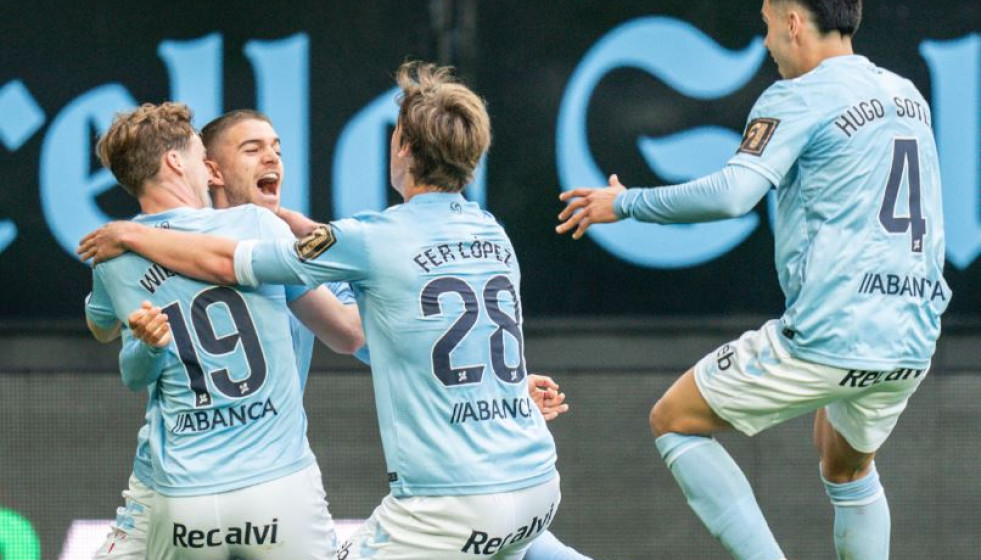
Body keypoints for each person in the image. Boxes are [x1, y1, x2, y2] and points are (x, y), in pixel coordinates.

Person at [79, 62, 571, 560]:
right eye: (251, 148)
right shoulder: (489, 230)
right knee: (516, 540)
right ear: (208, 168)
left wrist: (132, 233)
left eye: (277, 147)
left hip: (203, 490)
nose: (272, 156)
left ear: (404, 148)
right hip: (178, 480)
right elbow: (372, 312)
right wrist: (497, 387)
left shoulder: (328, 241)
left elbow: (351, 325)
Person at [555, 1, 948, 559]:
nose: (765, 42)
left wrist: (627, 203)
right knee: (845, 462)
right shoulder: (907, 95)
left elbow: (733, 195)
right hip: (912, 335)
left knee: (674, 420)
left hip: (833, 332)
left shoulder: (798, 94)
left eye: (766, 25)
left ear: (792, 22)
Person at [84, 102, 357, 560]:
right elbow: (350, 332)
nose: (272, 158)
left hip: (184, 492)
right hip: (277, 482)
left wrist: (131, 244)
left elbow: (104, 331)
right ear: (179, 162)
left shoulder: (111, 254)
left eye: (276, 148)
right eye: (200, 153)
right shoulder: (260, 225)